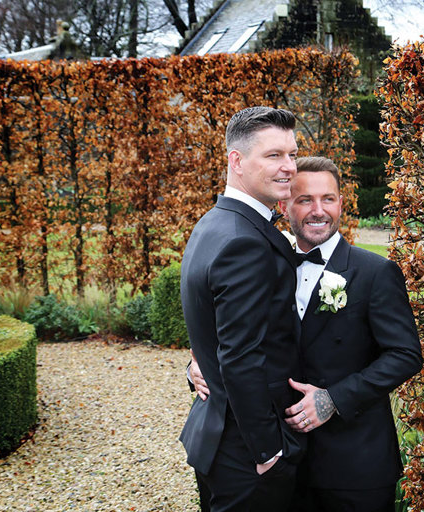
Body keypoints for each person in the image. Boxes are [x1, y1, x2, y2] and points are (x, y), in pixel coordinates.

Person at [190, 156, 423, 511]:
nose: (319, 210)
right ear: (284, 206)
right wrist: (196, 364)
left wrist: (333, 399)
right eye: (304, 200)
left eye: (328, 198)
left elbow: (406, 355)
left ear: (341, 203)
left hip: (354, 465)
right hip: (283, 463)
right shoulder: (264, 261)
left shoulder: (376, 272)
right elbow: (231, 333)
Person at [179, 106, 306, 512]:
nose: (289, 167)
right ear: (237, 160)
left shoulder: (214, 223)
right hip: (246, 451)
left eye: (292, 154)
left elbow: (214, 329)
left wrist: (197, 365)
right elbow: (240, 356)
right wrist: (268, 451)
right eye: (274, 156)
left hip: (219, 437)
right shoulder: (244, 241)